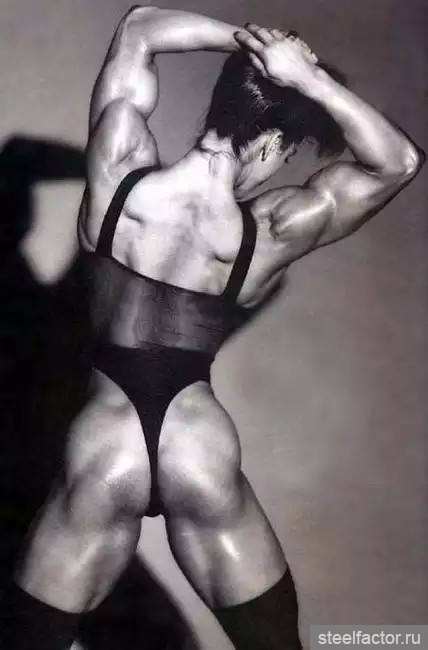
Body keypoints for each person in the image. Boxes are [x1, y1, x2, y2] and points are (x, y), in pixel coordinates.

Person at [1, 6, 423, 650]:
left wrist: (253, 48)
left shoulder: (117, 172)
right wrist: (304, 77)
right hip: (194, 443)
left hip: (104, 442)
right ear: (271, 145)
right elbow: (398, 163)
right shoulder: (271, 230)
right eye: (284, 156)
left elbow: (141, 25)